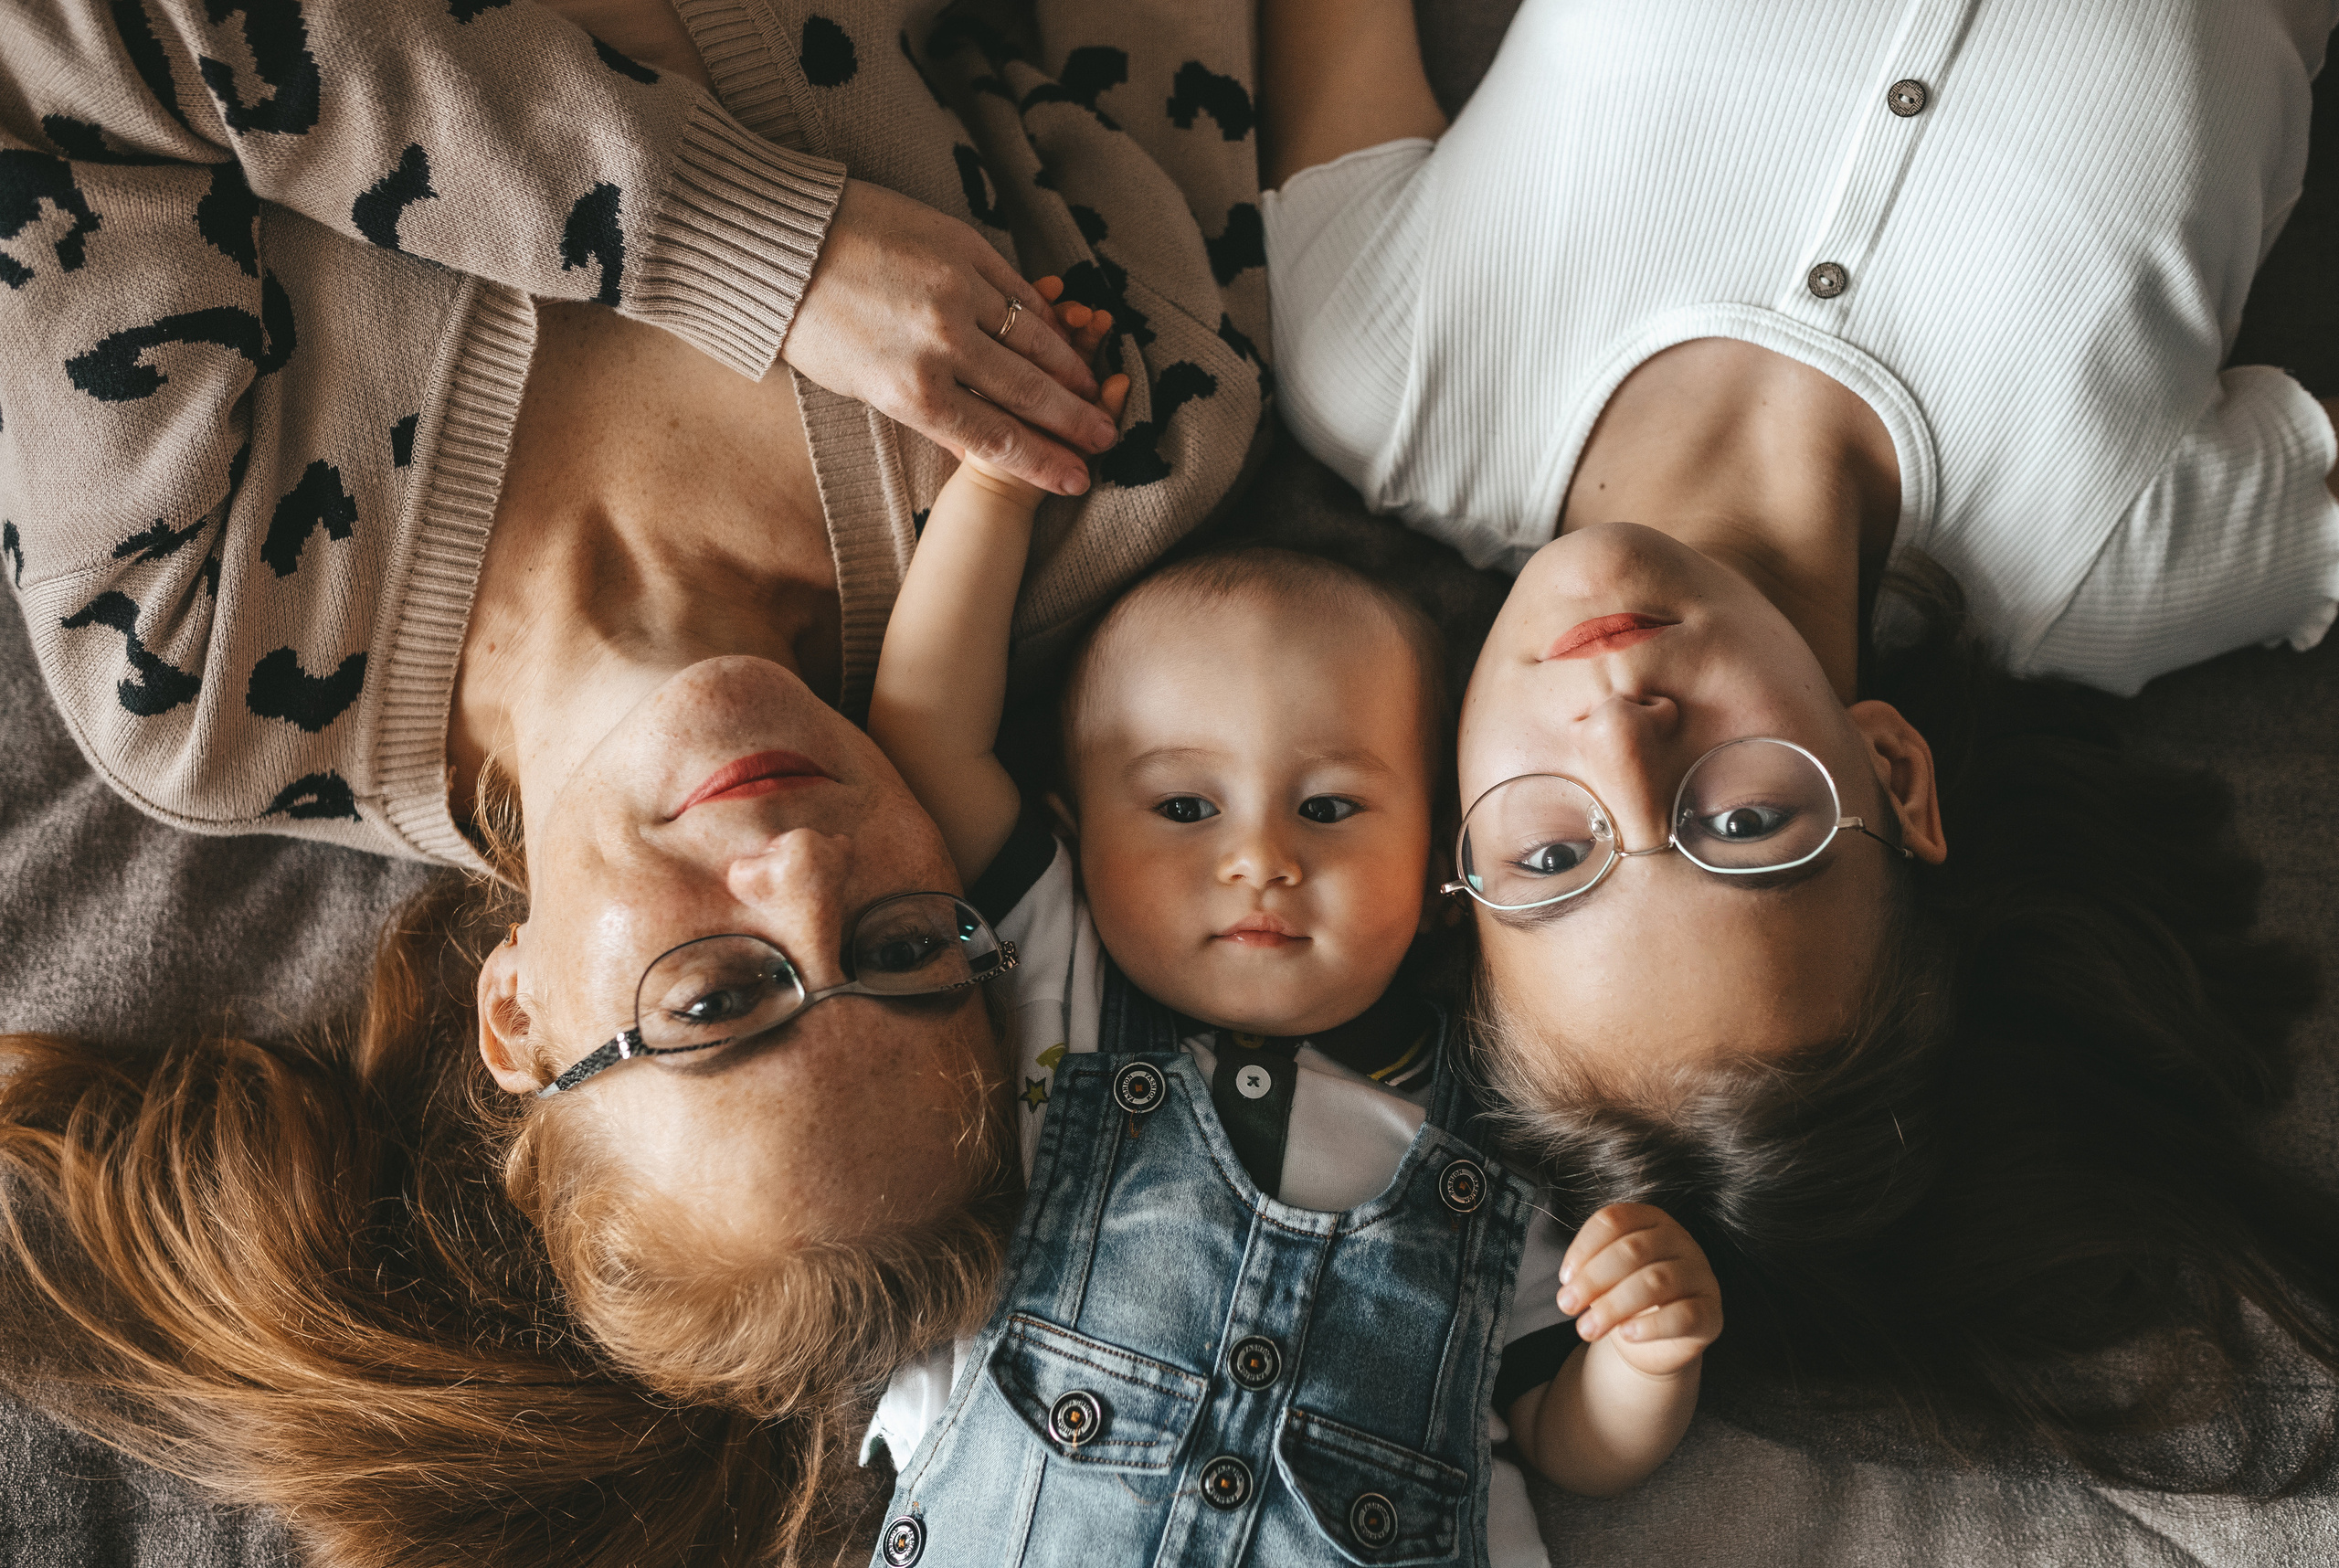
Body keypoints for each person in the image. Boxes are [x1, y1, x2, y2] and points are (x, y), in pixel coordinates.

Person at [0, 0, 1265, 1563]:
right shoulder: (1092, 464)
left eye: (719, 999)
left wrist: (754, 251)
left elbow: (59, 57)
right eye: (901, 954)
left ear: (516, 1011)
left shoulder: (205, 668)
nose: (804, 873)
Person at [1258, 0, 2339, 1489]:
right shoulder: (2113, 558)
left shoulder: (1384, 370)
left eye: (1557, 855)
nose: (1624, 740)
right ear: (1895, 776)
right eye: (1743, 828)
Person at [863, 326, 1723, 1564]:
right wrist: (996, 487)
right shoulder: (1058, 974)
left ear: (1443, 873)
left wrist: (1646, 1359)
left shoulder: (1495, 1117)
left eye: (1327, 808)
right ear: (1078, 838)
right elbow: (926, 733)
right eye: (1182, 808)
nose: (1258, 857)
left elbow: (1557, 1436)